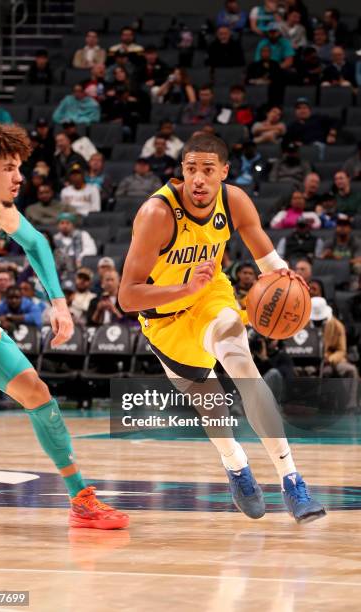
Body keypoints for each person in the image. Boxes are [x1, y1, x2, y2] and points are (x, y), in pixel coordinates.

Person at [119, 133, 325, 523]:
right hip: (164, 320)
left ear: (224, 173)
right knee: (210, 404)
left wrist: (288, 285)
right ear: (182, 171)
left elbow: (268, 260)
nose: (198, 178)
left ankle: (291, 479)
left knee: (241, 365)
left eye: (208, 170)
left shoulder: (234, 201)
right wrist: (184, 287)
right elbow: (127, 297)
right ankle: (236, 466)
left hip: (211, 298)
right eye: (191, 169)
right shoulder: (156, 214)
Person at [0, 120, 128, 528]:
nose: (19, 177)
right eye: (8, 168)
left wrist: (59, 304)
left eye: (19, 167)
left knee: (34, 389)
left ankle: (81, 499)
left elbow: (36, 243)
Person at [311, 297, 359, 408]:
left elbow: (342, 350)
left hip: (334, 359)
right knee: (319, 371)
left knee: (351, 370)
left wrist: (330, 359)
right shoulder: (305, 325)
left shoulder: (338, 326)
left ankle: (351, 406)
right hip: (312, 360)